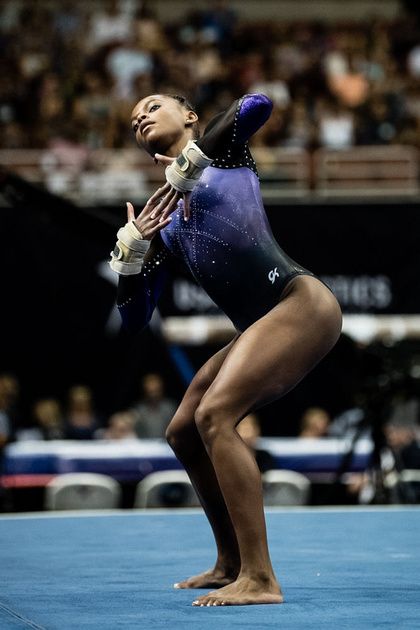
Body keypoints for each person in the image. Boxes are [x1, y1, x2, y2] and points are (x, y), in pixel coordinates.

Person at [109, 92, 342, 606]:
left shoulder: (227, 154)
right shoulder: (164, 222)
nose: (140, 117)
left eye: (151, 107)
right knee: (183, 431)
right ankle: (230, 562)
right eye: (133, 122)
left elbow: (258, 103)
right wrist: (131, 257)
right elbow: (133, 321)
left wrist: (193, 161)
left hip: (298, 302)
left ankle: (261, 578)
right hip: (260, 322)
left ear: (189, 116)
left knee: (215, 415)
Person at [130, 372, 178, 439]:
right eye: (151, 391)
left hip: (167, 446)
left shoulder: (170, 408)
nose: (153, 395)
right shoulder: (137, 411)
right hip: (145, 446)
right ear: (145, 391)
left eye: (156, 391)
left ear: (161, 390)